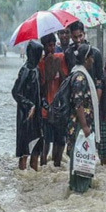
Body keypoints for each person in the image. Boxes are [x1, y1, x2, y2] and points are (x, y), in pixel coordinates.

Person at [66, 44, 101, 193]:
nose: (93, 60)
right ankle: (79, 189)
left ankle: (80, 188)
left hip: (82, 124)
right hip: (81, 125)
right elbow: (78, 103)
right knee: (81, 156)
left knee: (82, 155)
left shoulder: (79, 73)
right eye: (91, 57)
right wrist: (85, 126)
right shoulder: (80, 77)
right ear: (86, 59)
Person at [12, 40, 44, 171]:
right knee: (25, 150)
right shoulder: (25, 70)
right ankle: (23, 176)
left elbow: (39, 93)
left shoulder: (36, 69)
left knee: (36, 148)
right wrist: (29, 105)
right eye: (39, 53)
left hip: (36, 115)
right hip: (26, 115)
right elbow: (15, 92)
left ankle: (34, 179)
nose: (41, 56)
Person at [38, 33, 69, 167]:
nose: (51, 48)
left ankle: (57, 165)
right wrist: (49, 72)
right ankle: (43, 165)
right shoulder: (40, 63)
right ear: (43, 47)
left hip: (60, 108)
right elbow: (40, 89)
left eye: (52, 45)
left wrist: (57, 68)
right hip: (45, 109)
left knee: (60, 140)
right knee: (45, 140)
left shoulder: (60, 58)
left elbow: (66, 81)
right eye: (48, 46)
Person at [64, 21, 103, 104]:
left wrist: (96, 103)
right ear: (71, 37)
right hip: (74, 98)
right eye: (75, 37)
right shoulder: (68, 54)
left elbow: (100, 80)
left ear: (84, 34)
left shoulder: (95, 53)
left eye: (80, 36)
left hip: (92, 96)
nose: (78, 40)